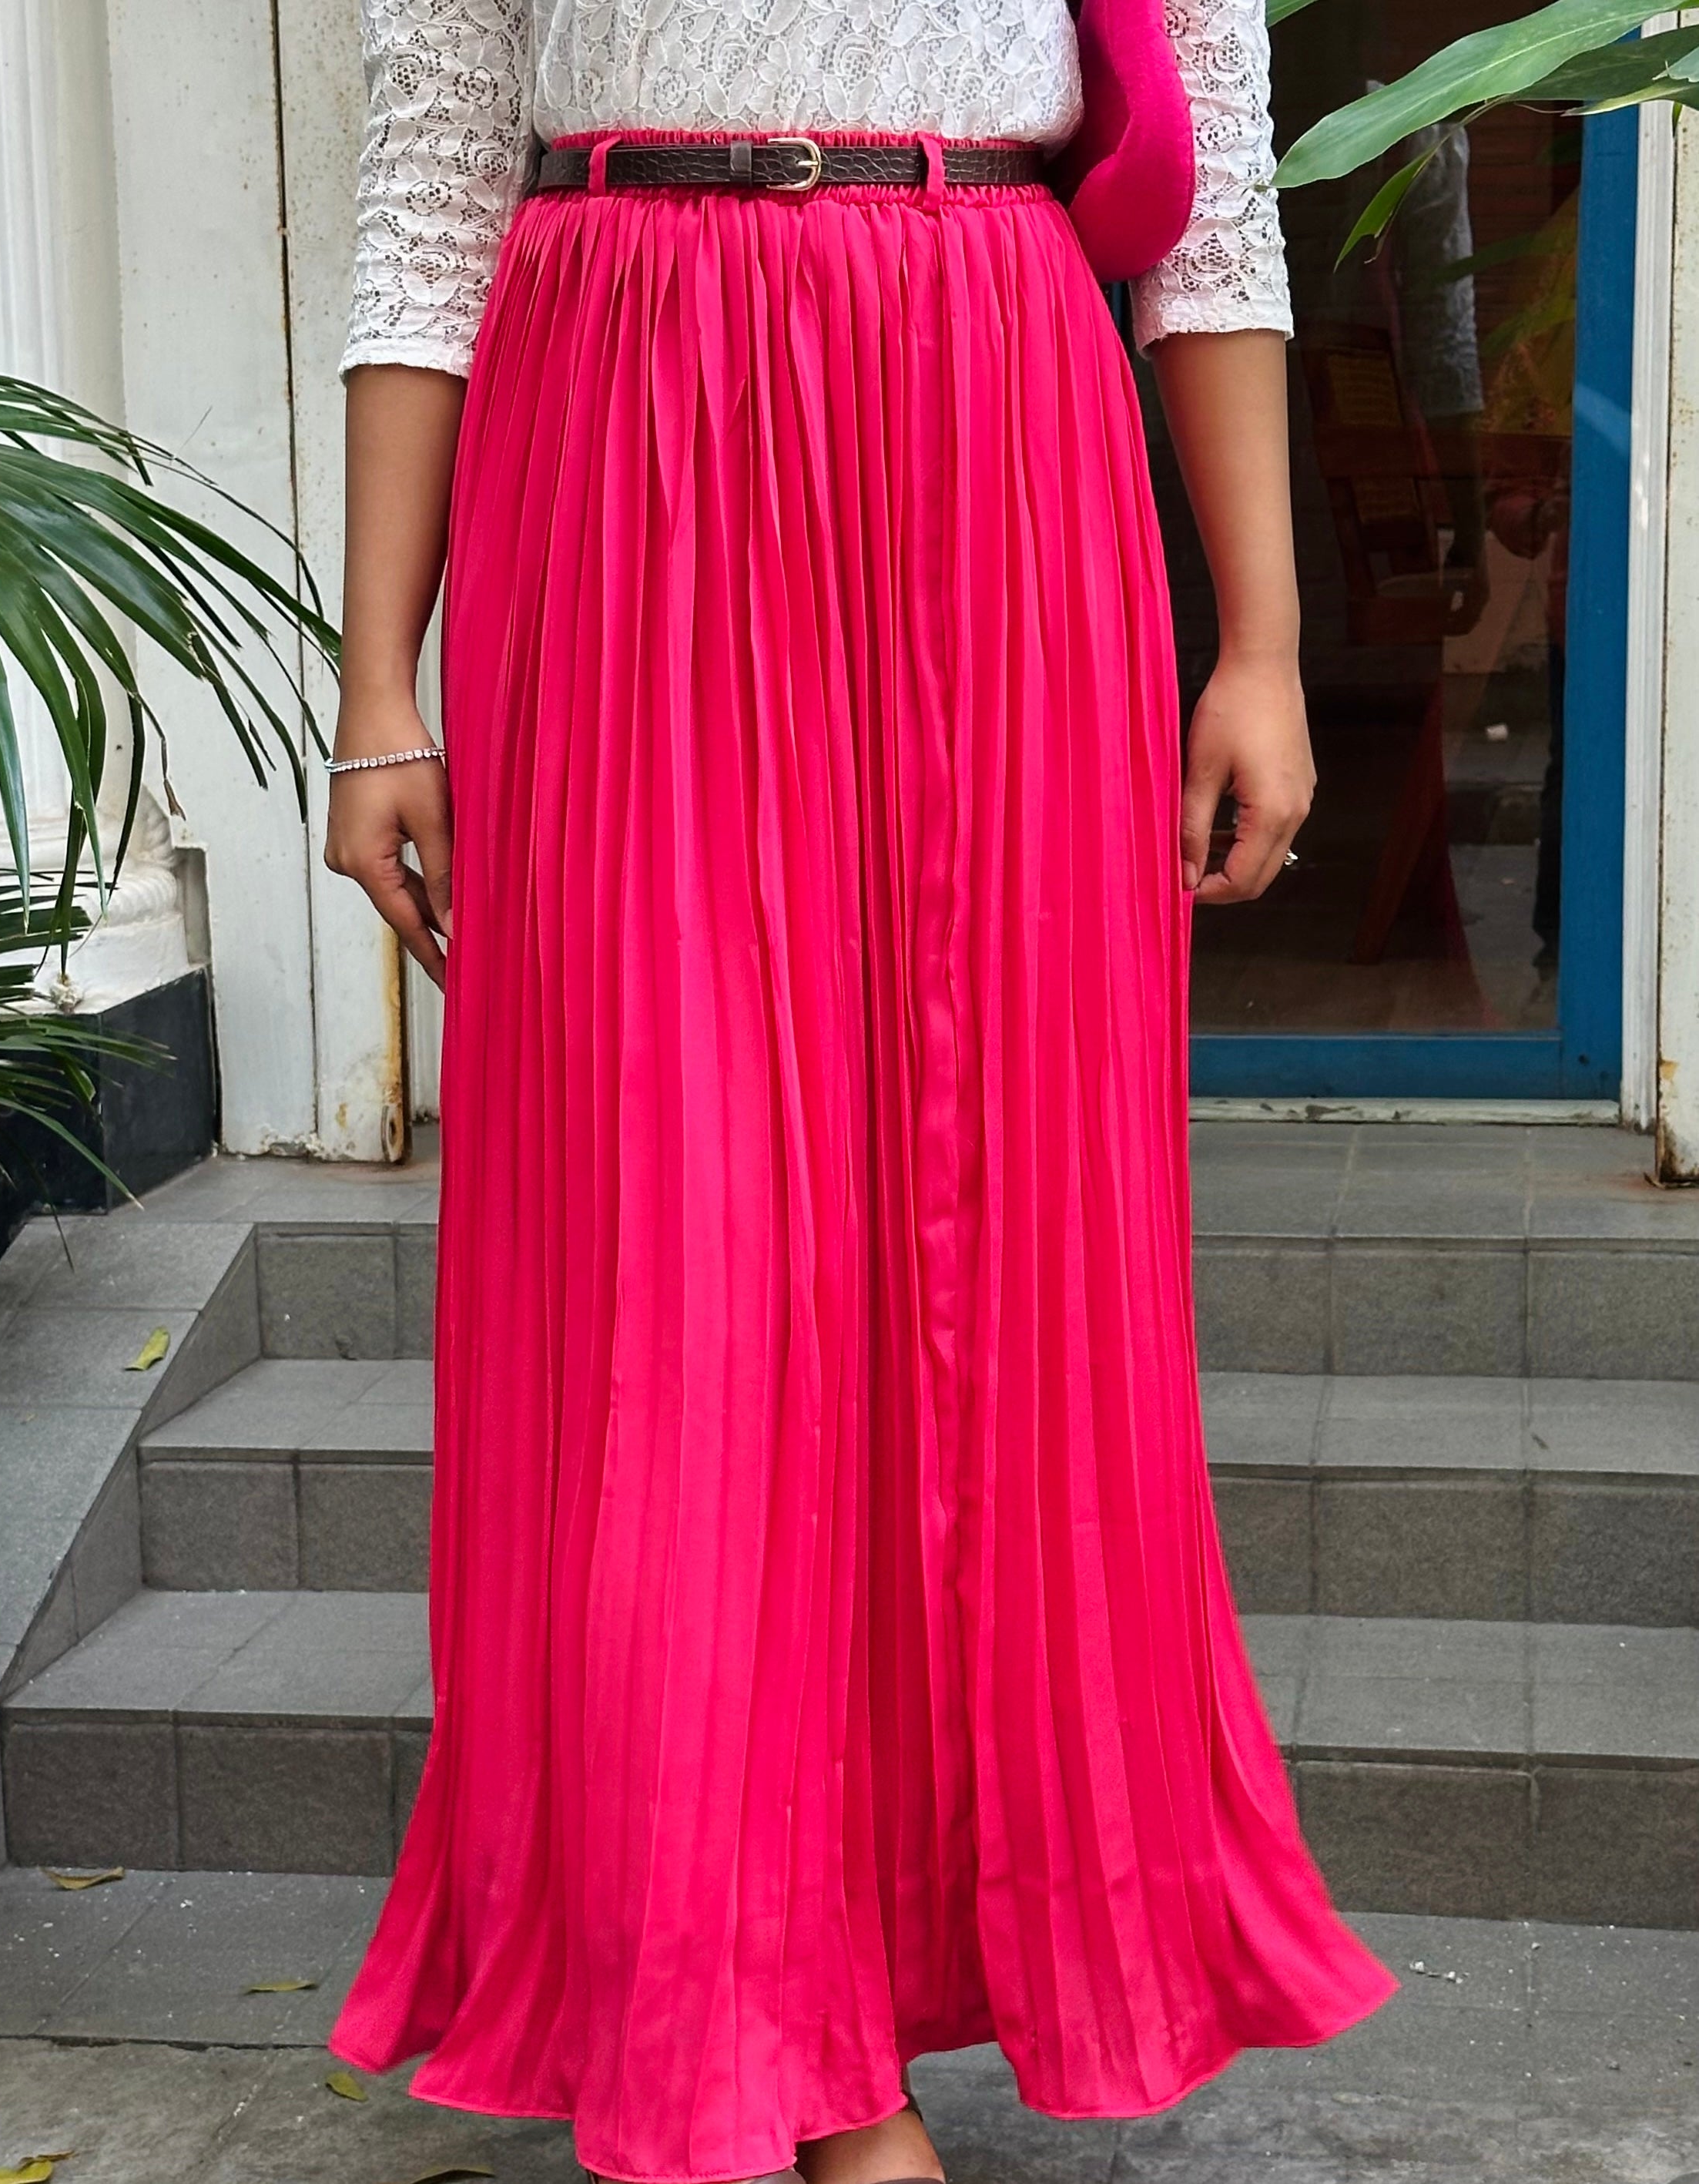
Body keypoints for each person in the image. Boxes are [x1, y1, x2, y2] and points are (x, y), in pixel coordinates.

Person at [320, 0, 1398, 2177]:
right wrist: (373, 686)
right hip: (620, 429)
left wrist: (1261, 643)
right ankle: (777, 2034)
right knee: (682, 1248)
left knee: (977, 1248)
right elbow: (429, 193)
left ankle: (901, 1960)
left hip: (993, 425)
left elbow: (1212, 203)